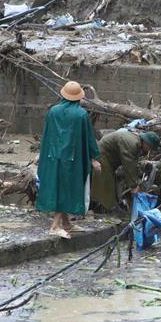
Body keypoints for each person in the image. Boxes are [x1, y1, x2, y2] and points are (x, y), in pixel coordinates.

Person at [35, 81, 102, 238]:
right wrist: (94, 157)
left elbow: (47, 134)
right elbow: (88, 137)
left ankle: (66, 223)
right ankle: (54, 226)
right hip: (71, 159)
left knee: (57, 187)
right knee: (66, 190)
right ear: (79, 97)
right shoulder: (81, 115)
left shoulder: (53, 111)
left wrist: (41, 154)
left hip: (52, 156)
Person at [91, 129, 160, 212]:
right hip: (103, 155)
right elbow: (129, 166)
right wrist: (134, 186)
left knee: (110, 183)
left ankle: (106, 207)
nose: (150, 150)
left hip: (110, 159)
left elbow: (133, 164)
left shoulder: (137, 143)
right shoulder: (132, 144)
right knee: (106, 184)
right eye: (150, 148)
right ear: (146, 143)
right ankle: (104, 209)